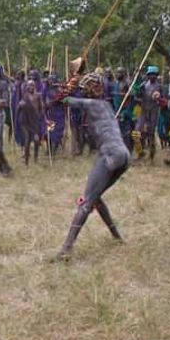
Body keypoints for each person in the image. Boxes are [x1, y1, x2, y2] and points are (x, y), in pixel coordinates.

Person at [53, 73, 128, 260]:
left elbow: (63, 100)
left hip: (110, 154)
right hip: (124, 156)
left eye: (86, 87)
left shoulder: (92, 104)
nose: (84, 90)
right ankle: (117, 237)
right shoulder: (107, 106)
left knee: (86, 202)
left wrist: (67, 89)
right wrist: (68, 87)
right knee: (96, 197)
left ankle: (65, 250)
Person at [136, 66, 163, 161]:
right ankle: (140, 152)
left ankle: (151, 155)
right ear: (148, 75)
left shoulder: (159, 87)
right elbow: (138, 97)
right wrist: (139, 92)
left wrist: (159, 99)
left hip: (153, 112)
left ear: (156, 76)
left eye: (154, 75)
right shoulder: (143, 85)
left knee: (151, 133)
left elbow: (163, 101)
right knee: (136, 133)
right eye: (150, 74)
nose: (152, 76)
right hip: (143, 111)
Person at [18, 79, 43, 166]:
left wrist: (40, 115)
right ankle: (26, 160)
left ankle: (35, 157)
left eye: (32, 85)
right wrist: (20, 105)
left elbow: (41, 108)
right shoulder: (24, 96)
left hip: (34, 121)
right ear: (27, 87)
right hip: (25, 121)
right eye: (29, 85)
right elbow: (19, 107)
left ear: (34, 86)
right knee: (27, 139)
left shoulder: (38, 96)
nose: (30, 87)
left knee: (36, 140)